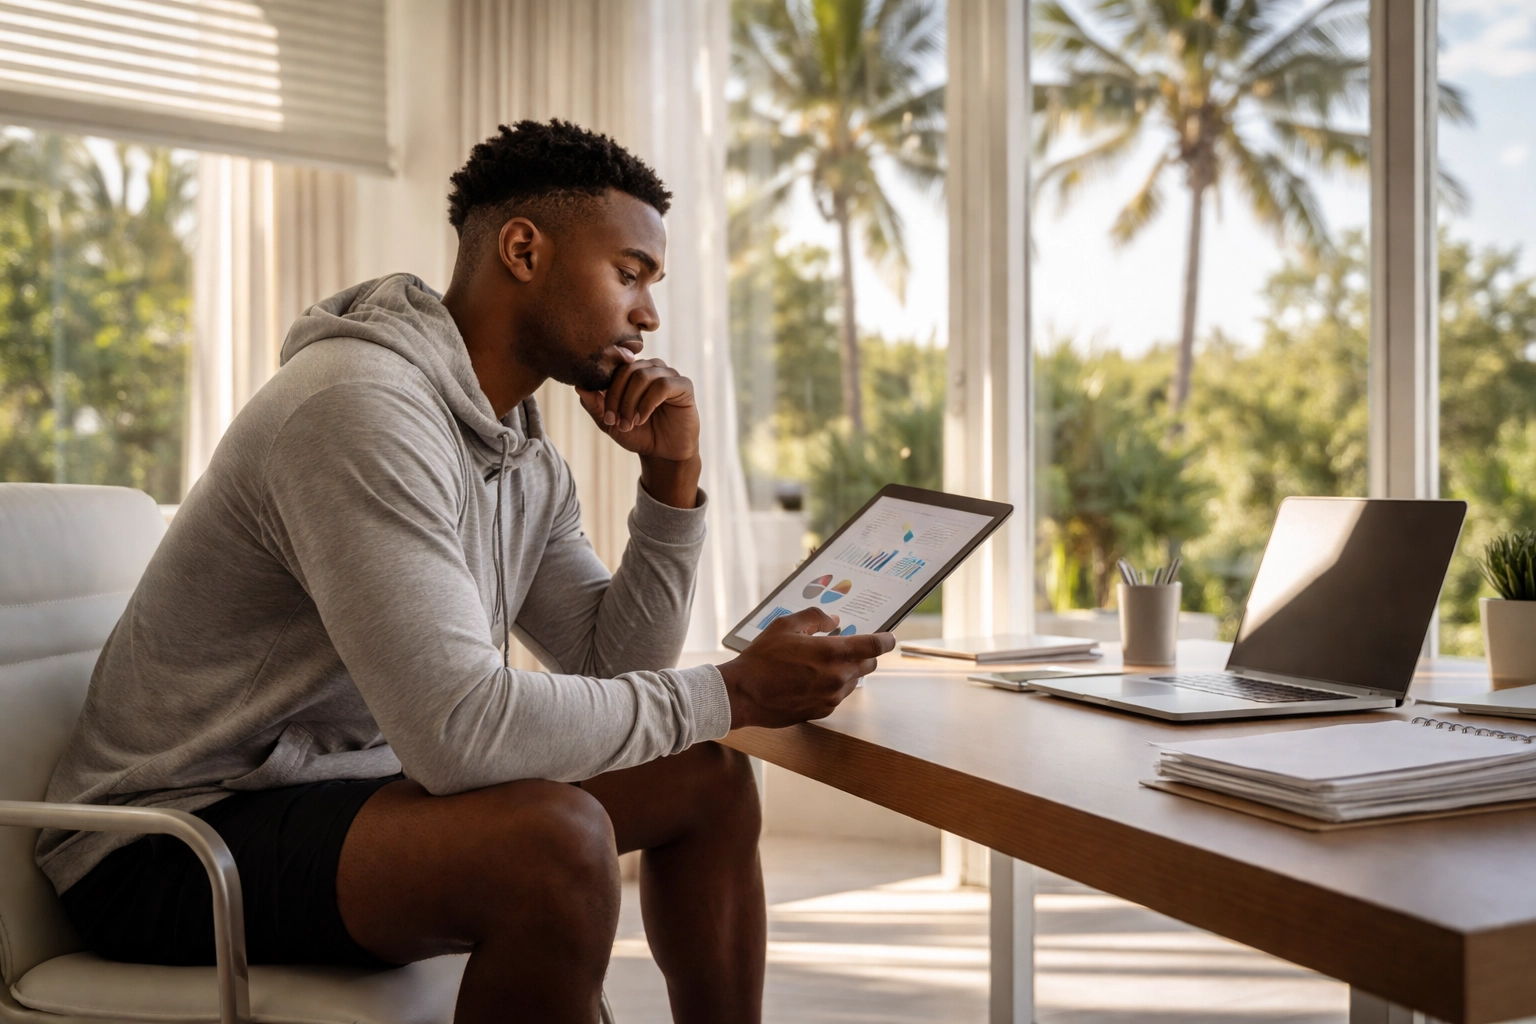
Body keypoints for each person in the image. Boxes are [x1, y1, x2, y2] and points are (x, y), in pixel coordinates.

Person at [38, 119, 894, 1023]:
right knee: (554, 845)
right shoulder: (355, 412)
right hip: (168, 845)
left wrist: (670, 485)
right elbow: (460, 733)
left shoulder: (518, 450)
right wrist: (734, 690)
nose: (647, 314)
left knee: (707, 776)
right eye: (630, 274)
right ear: (524, 249)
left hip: (336, 793)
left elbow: (613, 669)